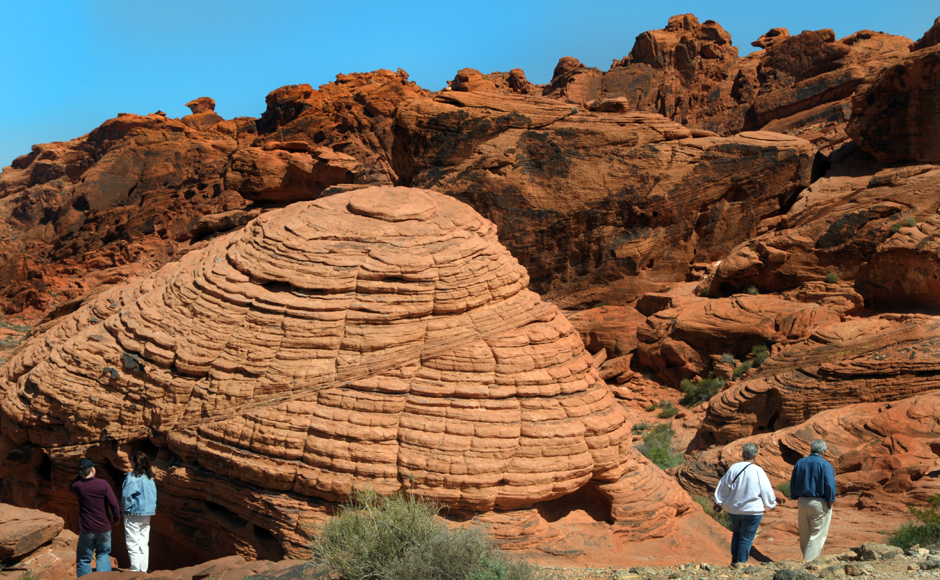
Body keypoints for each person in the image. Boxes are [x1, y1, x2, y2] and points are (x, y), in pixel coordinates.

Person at [713, 443, 777, 565]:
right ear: (755, 455)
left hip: (734, 510)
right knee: (746, 538)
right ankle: (741, 563)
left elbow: (724, 485)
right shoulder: (758, 470)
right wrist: (771, 504)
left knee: (737, 534)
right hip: (753, 511)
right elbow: (766, 489)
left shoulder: (734, 468)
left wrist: (719, 502)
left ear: (742, 454)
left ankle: (734, 561)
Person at [70, 458, 121, 576]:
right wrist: (116, 518)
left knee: (84, 559)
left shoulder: (78, 486)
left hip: (86, 529)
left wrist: (80, 474)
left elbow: (71, 486)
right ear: (93, 469)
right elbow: (114, 504)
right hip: (103, 527)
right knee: (103, 554)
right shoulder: (103, 484)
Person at [789, 439, 836, 562]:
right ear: (823, 452)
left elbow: (793, 482)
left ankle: (805, 559)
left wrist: (794, 496)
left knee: (805, 534)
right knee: (817, 535)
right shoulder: (825, 464)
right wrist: (830, 500)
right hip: (819, 502)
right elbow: (830, 485)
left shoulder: (800, 463)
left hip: (802, 501)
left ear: (811, 449)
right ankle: (808, 563)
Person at [122, 450, 158, 573]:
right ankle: (143, 570)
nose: (130, 462)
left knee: (132, 541)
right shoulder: (149, 478)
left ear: (134, 462)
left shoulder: (132, 477)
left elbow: (126, 495)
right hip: (147, 513)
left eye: (131, 460)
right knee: (143, 541)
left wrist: (125, 510)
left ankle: (135, 570)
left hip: (134, 513)